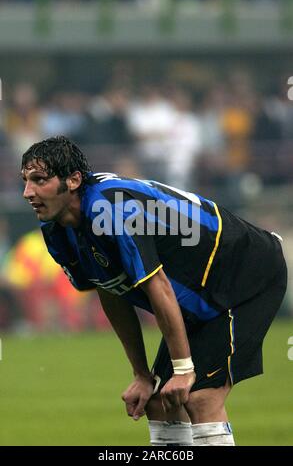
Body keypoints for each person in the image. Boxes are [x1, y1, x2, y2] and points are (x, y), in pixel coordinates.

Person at [21, 136, 287, 446]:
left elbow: (156, 284)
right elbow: (110, 290)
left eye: (39, 180)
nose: (28, 192)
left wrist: (184, 370)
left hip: (245, 275)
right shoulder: (57, 230)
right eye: (25, 181)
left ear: (74, 180)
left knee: (199, 398)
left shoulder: (110, 208)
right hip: (201, 296)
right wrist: (141, 374)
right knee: (159, 402)